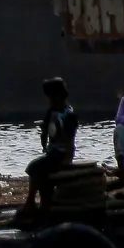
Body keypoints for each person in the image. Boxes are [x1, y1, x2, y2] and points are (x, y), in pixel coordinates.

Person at [24, 77, 77, 211]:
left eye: (51, 96)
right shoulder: (52, 112)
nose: (49, 100)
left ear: (58, 95)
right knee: (41, 175)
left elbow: (70, 140)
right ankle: (44, 204)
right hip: (52, 152)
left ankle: (30, 201)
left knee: (34, 168)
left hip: (61, 153)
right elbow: (46, 134)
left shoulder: (68, 115)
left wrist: (67, 159)